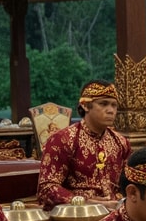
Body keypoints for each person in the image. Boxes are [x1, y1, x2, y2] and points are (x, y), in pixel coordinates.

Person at [37, 81, 131, 210]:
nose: (111, 110)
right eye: (103, 104)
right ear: (86, 106)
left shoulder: (121, 142)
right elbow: (46, 189)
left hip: (115, 212)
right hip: (77, 214)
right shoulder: (63, 140)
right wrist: (86, 202)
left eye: (114, 105)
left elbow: (129, 184)